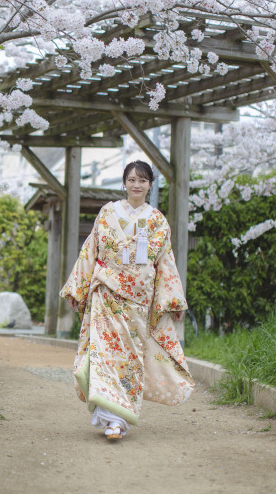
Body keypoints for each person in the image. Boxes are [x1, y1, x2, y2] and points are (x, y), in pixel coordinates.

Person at [60, 160, 194, 441]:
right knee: (103, 353)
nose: (136, 185)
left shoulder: (157, 220)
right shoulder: (107, 212)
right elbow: (90, 250)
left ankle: (118, 416)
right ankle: (111, 419)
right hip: (105, 293)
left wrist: (172, 300)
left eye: (142, 180)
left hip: (138, 301)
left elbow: (165, 263)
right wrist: (77, 289)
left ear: (150, 184)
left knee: (130, 358)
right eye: (132, 179)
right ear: (124, 182)